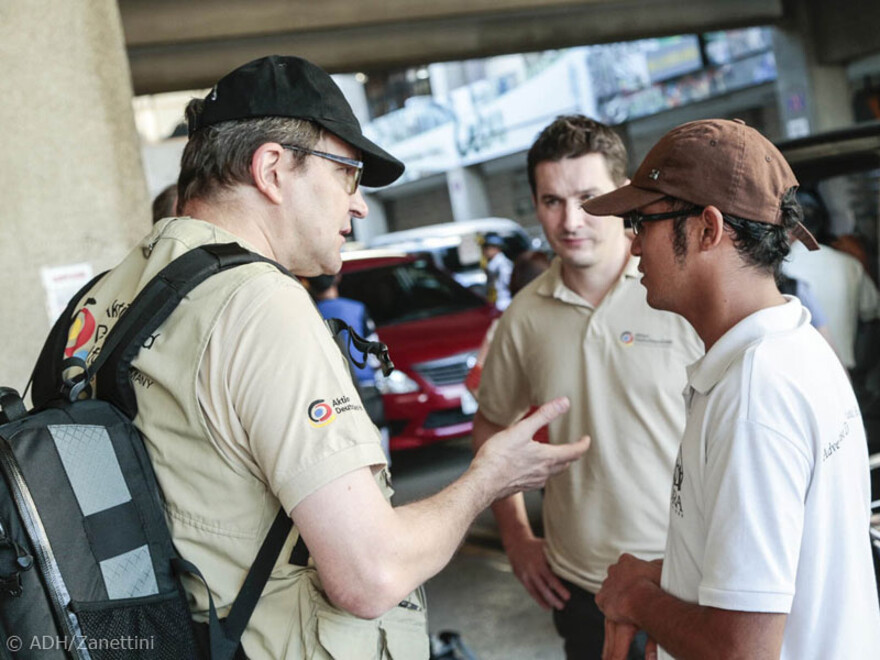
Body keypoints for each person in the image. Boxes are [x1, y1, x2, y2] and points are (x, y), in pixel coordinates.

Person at [61, 55, 590, 658]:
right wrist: (488, 478)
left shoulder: (108, 297)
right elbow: (372, 575)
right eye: (347, 174)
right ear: (272, 169)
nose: (359, 205)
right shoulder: (257, 303)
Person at [585, 118, 880, 659]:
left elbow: (742, 650)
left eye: (640, 222)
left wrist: (639, 599)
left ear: (708, 228)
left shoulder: (754, 393)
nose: (632, 248)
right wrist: (674, 577)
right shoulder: (799, 346)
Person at [471, 115, 703, 659]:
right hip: (584, 588)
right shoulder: (522, 319)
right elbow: (490, 424)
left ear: (623, 194)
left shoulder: (681, 291)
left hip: (690, 573)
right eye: (551, 201)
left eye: (589, 197)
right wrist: (517, 538)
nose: (571, 220)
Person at [306, 272, 391, 462]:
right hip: (365, 384)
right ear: (337, 278)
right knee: (377, 437)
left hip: (331, 391)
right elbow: (374, 353)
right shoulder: (357, 309)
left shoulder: (310, 314)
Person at [482, 231, 514, 310]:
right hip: (495, 302)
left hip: (504, 302)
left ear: (496, 248)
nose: (485, 251)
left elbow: (508, 282)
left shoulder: (503, 264)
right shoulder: (492, 264)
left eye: (488, 248)